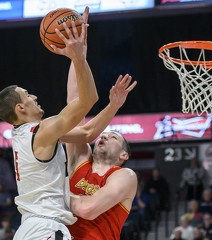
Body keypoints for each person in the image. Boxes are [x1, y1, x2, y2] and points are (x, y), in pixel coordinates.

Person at [0, 7, 98, 240]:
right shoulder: (40, 132)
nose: (34, 97)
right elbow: (87, 100)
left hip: (33, 228)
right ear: (20, 108)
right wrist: (77, 56)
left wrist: (80, 54)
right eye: (27, 95)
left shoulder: (23, 134)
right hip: (44, 229)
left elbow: (87, 127)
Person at [63, 44, 137, 238]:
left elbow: (88, 209)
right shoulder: (81, 159)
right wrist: (77, 56)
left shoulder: (125, 176)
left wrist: (50, 194)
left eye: (113, 137)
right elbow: (74, 102)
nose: (104, 135)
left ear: (124, 154)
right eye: (104, 134)